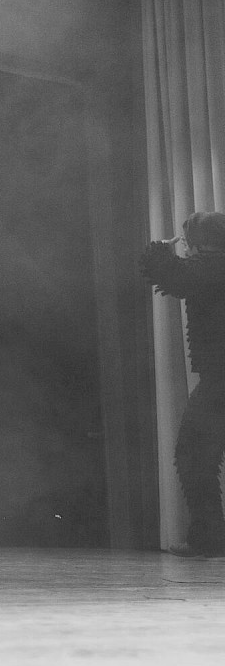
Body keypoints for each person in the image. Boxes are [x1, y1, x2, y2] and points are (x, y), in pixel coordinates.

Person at [141, 210, 225, 559]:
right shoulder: (212, 268)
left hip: (220, 380)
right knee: (197, 455)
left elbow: (169, 274)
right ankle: (209, 537)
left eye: (190, 242)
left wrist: (161, 248)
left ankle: (210, 538)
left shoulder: (213, 268)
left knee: (193, 454)